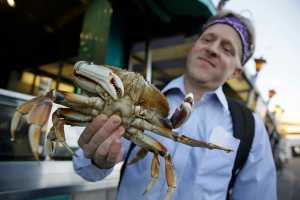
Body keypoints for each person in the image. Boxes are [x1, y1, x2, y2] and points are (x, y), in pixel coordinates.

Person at [73, 10, 277, 200]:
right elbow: (84, 167)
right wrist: (97, 160)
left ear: (236, 72)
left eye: (227, 49)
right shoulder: (136, 96)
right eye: (207, 39)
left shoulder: (251, 129)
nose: (212, 49)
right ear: (194, 46)